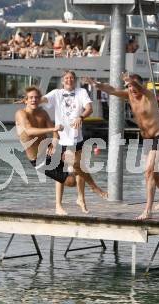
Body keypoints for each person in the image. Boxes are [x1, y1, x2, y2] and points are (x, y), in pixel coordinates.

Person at [85, 73, 159, 220]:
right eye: (129, 86)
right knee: (154, 173)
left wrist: (131, 81)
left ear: (140, 85)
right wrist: (97, 85)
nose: (131, 89)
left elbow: (139, 87)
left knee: (148, 172)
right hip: (146, 139)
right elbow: (112, 90)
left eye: (133, 85)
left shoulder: (148, 95)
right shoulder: (129, 95)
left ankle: (148, 210)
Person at [40, 70, 107, 214]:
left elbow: (89, 109)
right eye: (66, 78)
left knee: (78, 168)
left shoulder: (81, 91)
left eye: (71, 78)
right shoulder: (56, 93)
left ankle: (81, 199)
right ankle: (59, 204)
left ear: (74, 80)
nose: (69, 80)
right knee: (63, 171)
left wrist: (81, 117)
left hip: (77, 137)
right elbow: (42, 100)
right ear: (63, 81)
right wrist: (29, 100)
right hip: (61, 138)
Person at [16, 86, 78, 215]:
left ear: (39, 100)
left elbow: (56, 133)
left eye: (36, 98)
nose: (34, 100)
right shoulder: (21, 114)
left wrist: (54, 143)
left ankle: (59, 206)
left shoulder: (42, 113)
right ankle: (68, 176)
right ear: (26, 100)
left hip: (49, 149)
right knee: (71, 182)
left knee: (74, 156)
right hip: (38, 159)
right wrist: (52, 130)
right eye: (31, 98)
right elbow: (29, 130)